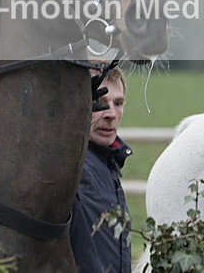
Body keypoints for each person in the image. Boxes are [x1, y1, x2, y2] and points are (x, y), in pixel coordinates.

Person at [70, 66, 133, 273]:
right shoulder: (73, 169)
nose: (111, 114)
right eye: (100, 103)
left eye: (118, 103)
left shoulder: (108, 163)